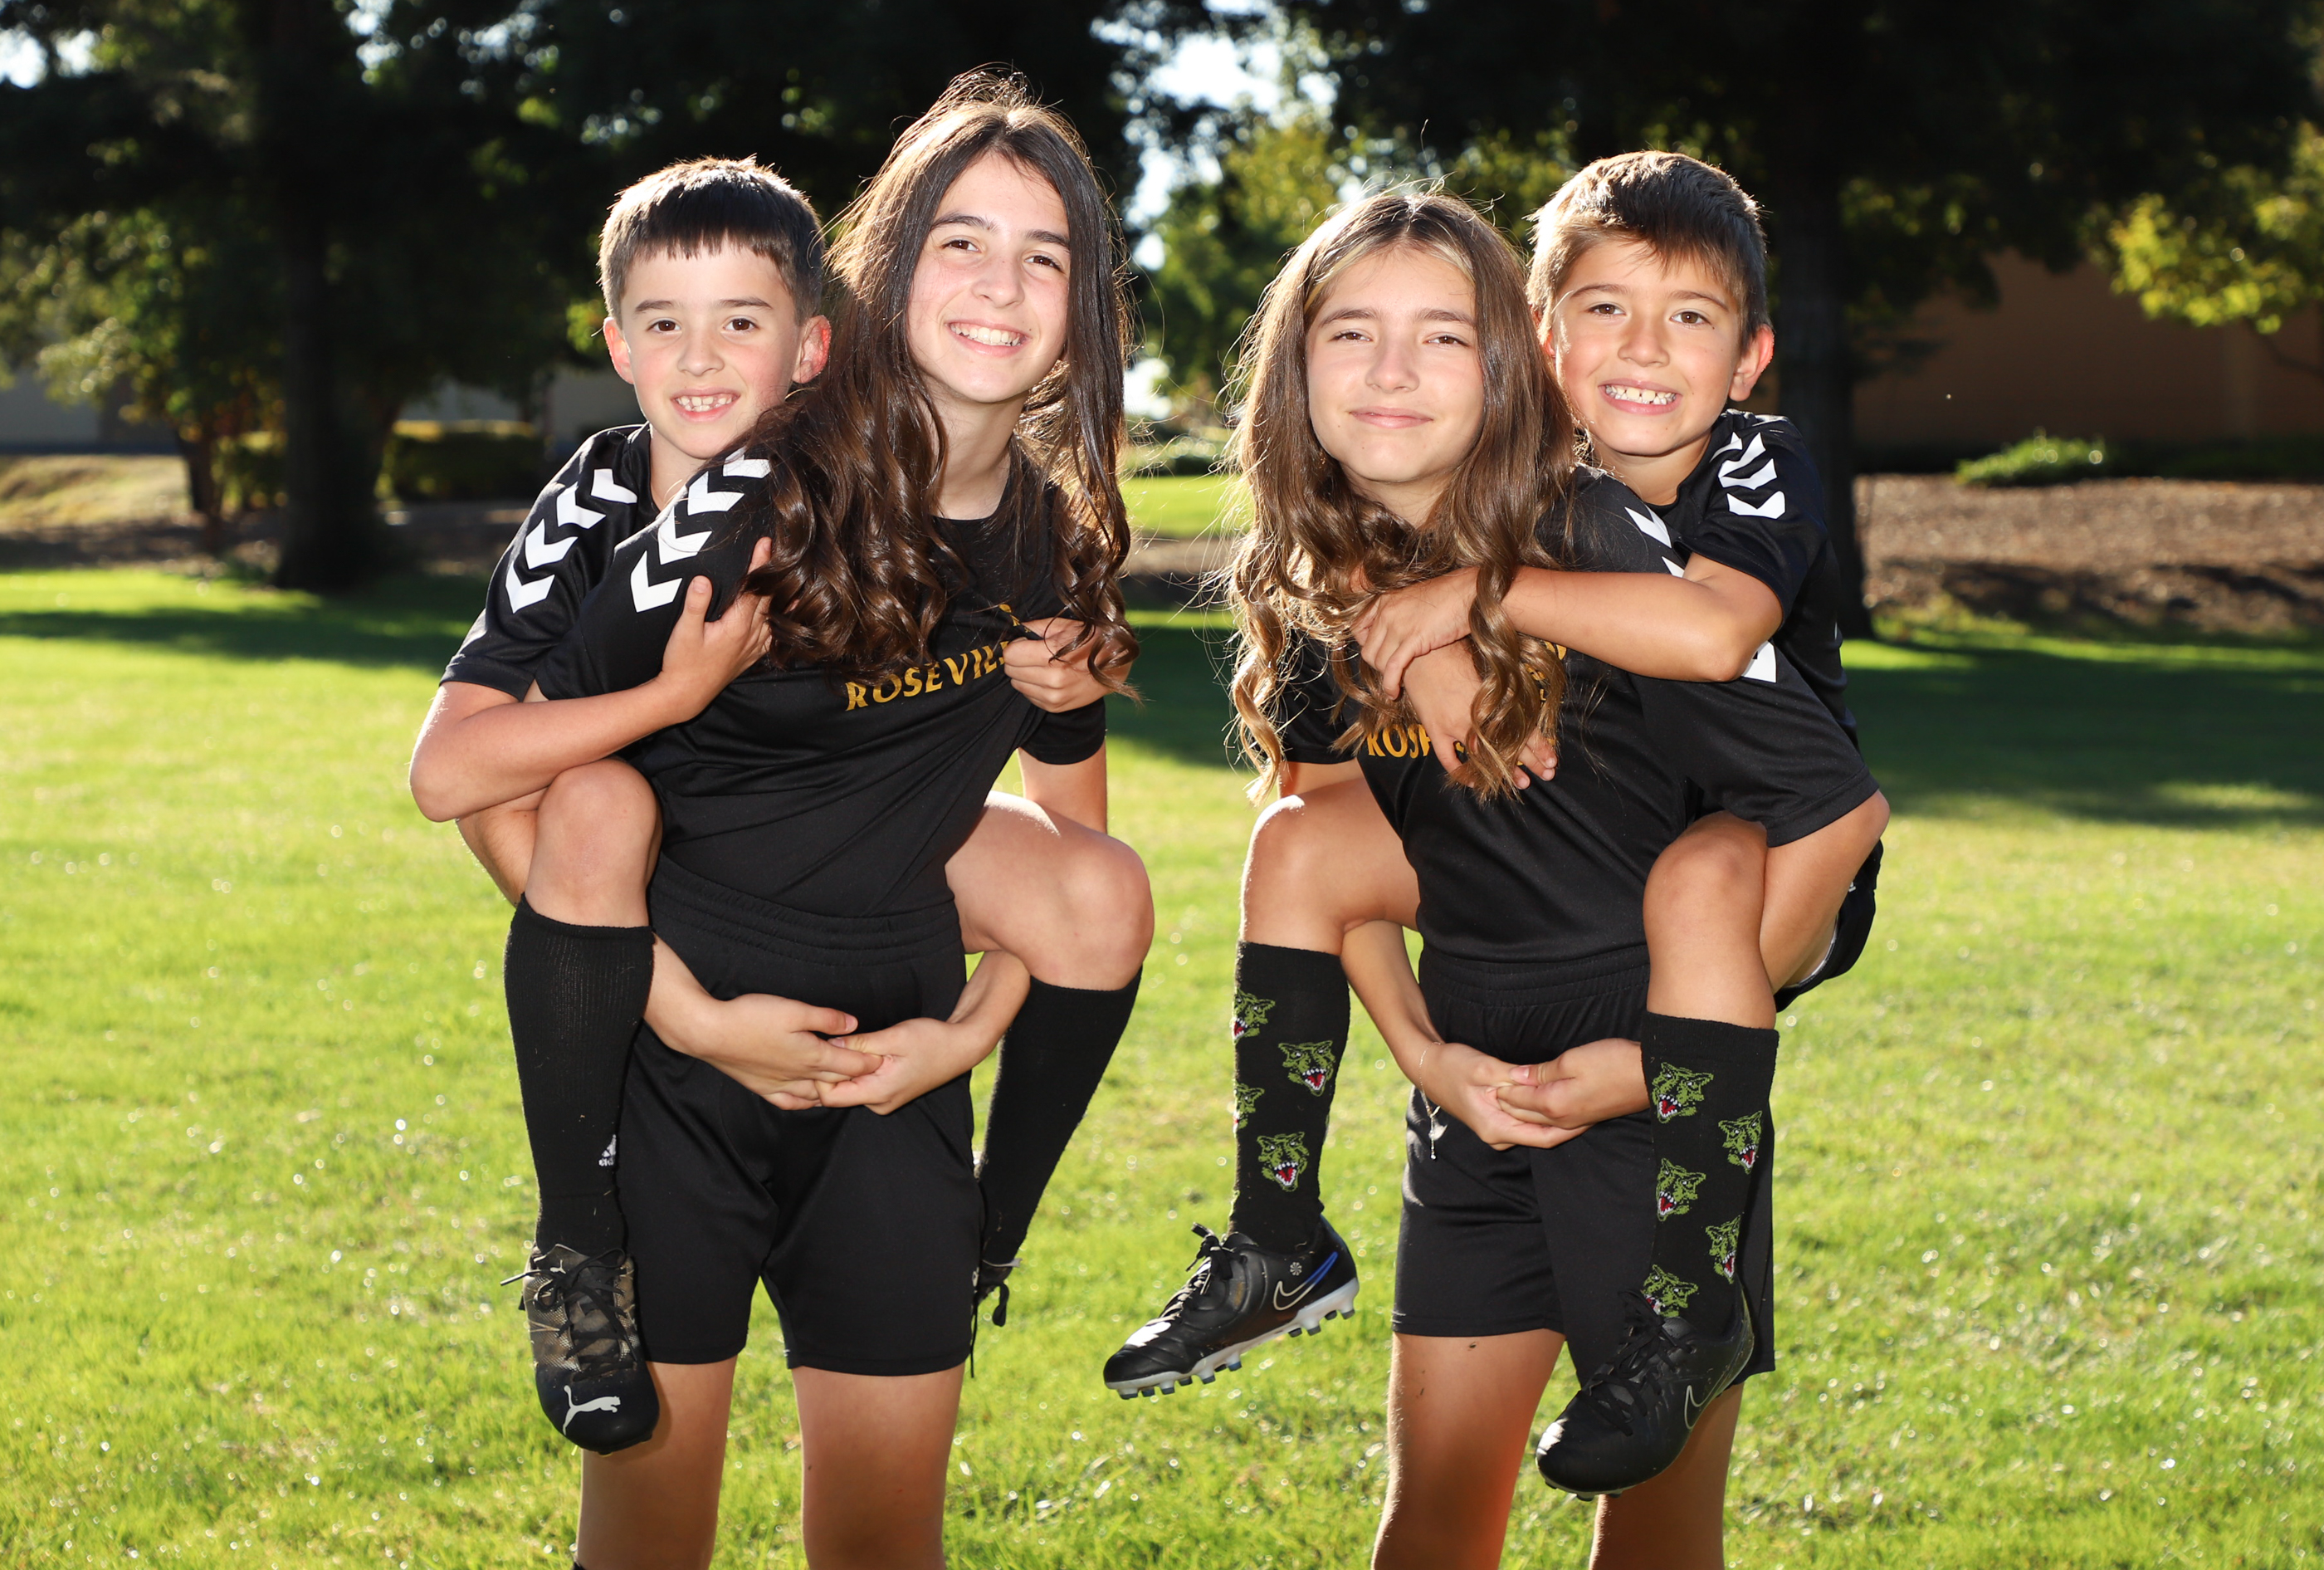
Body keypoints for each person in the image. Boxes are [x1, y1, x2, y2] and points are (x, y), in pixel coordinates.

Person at [1114, 189, 1881, 1567]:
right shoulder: (1330, 569)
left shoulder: (1605, 540)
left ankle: (1689, 1310)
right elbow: (1323, 845)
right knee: (1429, 1526)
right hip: (1474, 1078)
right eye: (1352, 333)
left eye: (1440, 337)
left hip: (1659, 1090)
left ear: (1506, 363)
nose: (1391, 372)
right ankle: (1277, 1237)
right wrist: (1426, 1057)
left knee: (1654, 1540)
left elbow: (1831, 806)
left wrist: (1651, 1065)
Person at [408, 157, 1148, 1453]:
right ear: (618, 347)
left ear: (812, 348)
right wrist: (689, 1004)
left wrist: (964, 1031)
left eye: (740, 323)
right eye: (663, 324)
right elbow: (461, 780)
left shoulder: (1012, 524)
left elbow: (1071, 845)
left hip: (873, 932)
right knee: (597, 803)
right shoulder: (629, 505)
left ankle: (988, 1226)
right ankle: (577, 1245)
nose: (702, 360)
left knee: (1101, 886)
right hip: (651, 915)